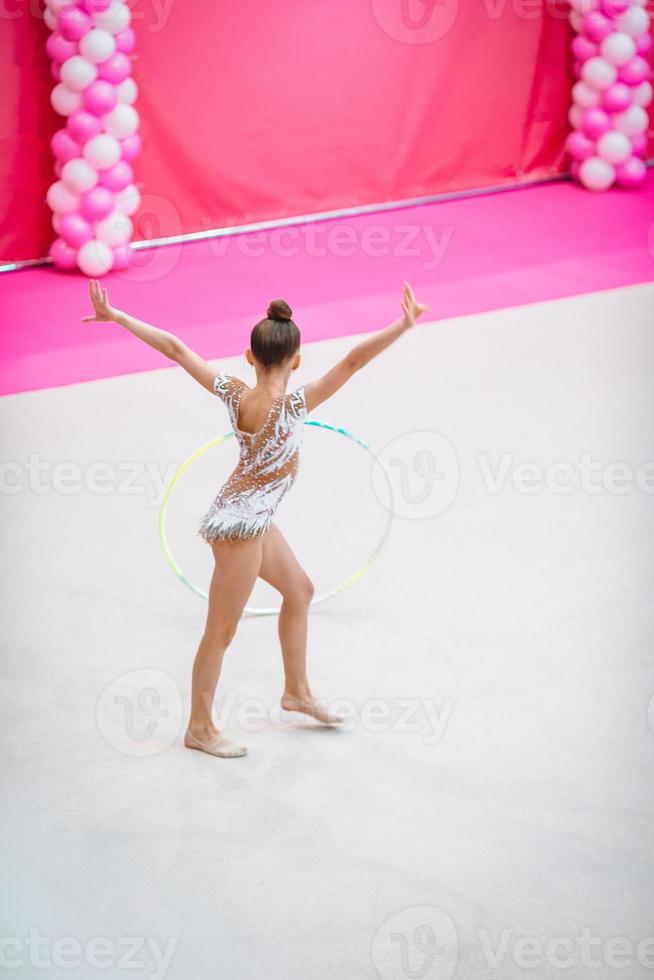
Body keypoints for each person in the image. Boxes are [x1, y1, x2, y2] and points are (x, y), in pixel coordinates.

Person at [83, 280, 429, 758]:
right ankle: (199, 727)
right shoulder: (295, 405)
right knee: (221, 631)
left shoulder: (234, 393)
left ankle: (297, 693)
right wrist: (402, 325)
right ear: (298, 359)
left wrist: (119, 317)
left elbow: (178, 350)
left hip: (253, 515)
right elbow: (353, 361)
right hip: (240, 528)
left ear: (250, 356)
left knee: (299, 591)